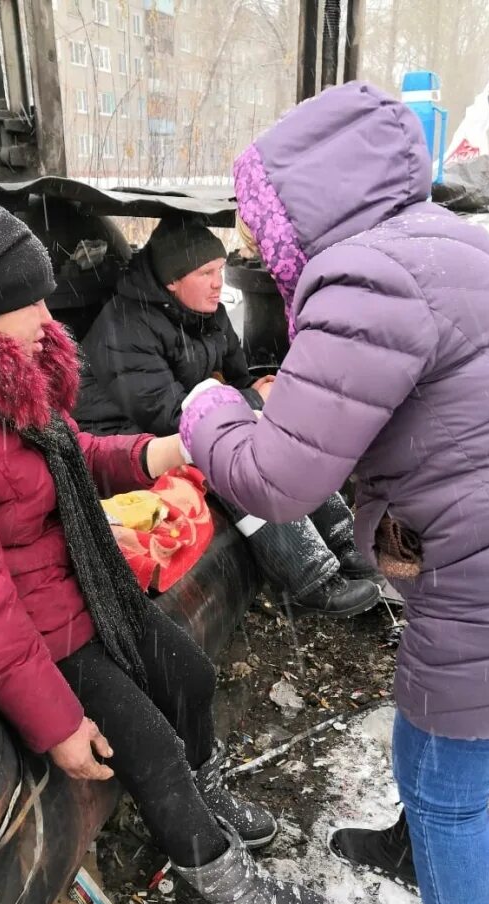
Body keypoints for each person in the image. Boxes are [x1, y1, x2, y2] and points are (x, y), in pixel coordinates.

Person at [0, 195, 329, 904]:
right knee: (149, 744)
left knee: (188, 677)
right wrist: (58, 723)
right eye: (28, 301)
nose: (47, 316)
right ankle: (220, 880)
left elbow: (70, 454)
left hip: (82, 581)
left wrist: (157, 454)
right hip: (34, 627)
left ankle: (207, 793)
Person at [178, 83, 489, 904]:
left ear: (304, 204)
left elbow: (280, 480)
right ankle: (419, 848)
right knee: (434, 741)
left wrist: (210, 413)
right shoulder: (443, 243)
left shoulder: (360, 276)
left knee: (450, 786)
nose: (251, 243)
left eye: (258, 219)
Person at [75, 216, 381, 620]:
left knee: (280, 430)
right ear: (171, 281)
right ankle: (310, 579)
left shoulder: (208, 312)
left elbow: (236, 379)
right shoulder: (126, 329)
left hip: (190, 416)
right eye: (205, 273)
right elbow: (167, 417)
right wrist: (254, 398)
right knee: (229, 462)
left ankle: (342, 540)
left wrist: (265, 397)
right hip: (126, 441)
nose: (219, 282)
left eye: (220, 270)